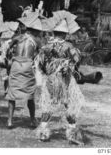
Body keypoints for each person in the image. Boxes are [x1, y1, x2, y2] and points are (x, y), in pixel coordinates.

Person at [35, 17, 84, 145]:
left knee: (48, 104)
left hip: (51, 80)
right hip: (64, 80)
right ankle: (73, 133)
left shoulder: (46, 46)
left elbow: (40, 64)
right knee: (68, 104)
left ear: (54, 33)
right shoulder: (68, 45)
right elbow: (77, 59)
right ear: (64, 34)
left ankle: (43, 133)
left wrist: (48, 71)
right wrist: (71, 61)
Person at [5, 12, 41, 129]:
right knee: (30, 94)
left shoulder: (17, 37)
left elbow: (5, 47)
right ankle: (32, 120)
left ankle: (10, 121)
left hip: (15, 65)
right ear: (34, 30)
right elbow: (41, 56)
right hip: (27, 65)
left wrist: (8, 59)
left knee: (12, 94)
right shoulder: (36, 40)